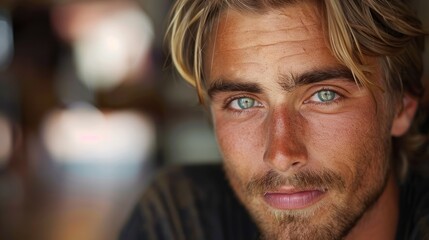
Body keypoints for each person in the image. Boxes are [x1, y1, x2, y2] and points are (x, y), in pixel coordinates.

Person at [120, 0, 429, 239]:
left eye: (324, 95)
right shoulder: (180, 219)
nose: (281, 155)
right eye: (243, 102)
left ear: (402, 104)